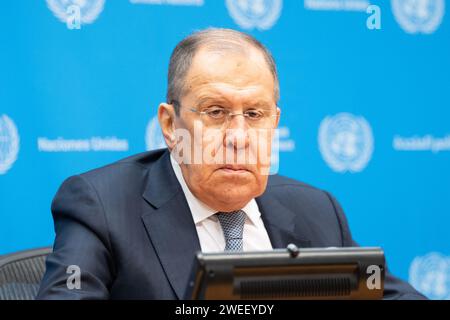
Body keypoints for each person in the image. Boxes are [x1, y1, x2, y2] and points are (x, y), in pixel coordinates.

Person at [37, 28, 425, 299]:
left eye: (254, 114)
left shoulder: (317, 211)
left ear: (274, 124)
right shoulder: (102, 206)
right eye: (216, 111)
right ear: (170, 125)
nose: (238, 137)